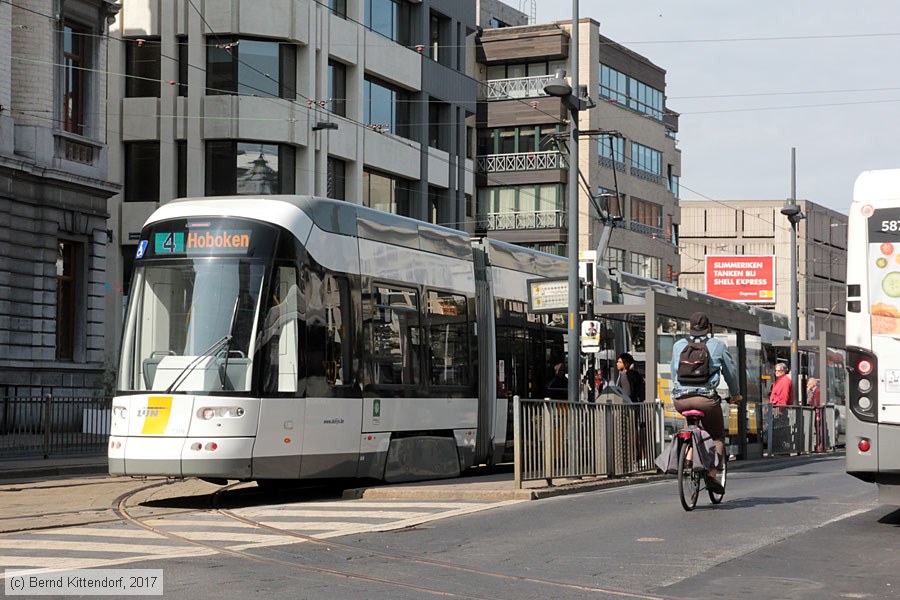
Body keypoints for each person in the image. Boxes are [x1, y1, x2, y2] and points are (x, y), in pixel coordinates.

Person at [670, 312, 743, 495]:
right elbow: (730, 373)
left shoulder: (679, 345)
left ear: (690, 327)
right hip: (706, 400)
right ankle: (711, 475)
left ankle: (687, 457)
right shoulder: (717, 345)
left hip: (681, 400)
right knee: (717, 436)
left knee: (690, 423)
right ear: (708, 327)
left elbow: (674, 373)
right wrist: (735, 395)